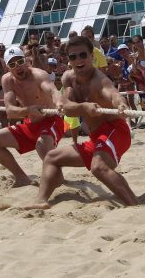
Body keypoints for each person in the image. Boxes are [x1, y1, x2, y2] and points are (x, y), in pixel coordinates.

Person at [25, 36, 138, 210]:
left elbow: (113, 94)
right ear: (68, 60)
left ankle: (134, 204)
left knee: (98, 167)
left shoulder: (99, 79)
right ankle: (41, 200)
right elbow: (67, 108)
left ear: (92, 56)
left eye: (83, 55)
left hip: (115, 132)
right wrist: (84, 107)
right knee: (51, 158)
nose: (78, 60)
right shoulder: (68, 78)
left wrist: (121, 104)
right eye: (73, 56)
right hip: (96, 137)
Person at [0, 47, 64, 186]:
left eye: (20, 61)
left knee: (42, 145)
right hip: (30, 123)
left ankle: (58, 177)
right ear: (7, 67)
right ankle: (21, 178)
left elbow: (52, 90)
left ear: (26, 61)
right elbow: (10, 111)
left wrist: (59, 103)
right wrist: (29, 110)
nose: (18, 66)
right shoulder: (7, 80)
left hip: (51, 121)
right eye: (12, 64)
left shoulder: (38, 74)